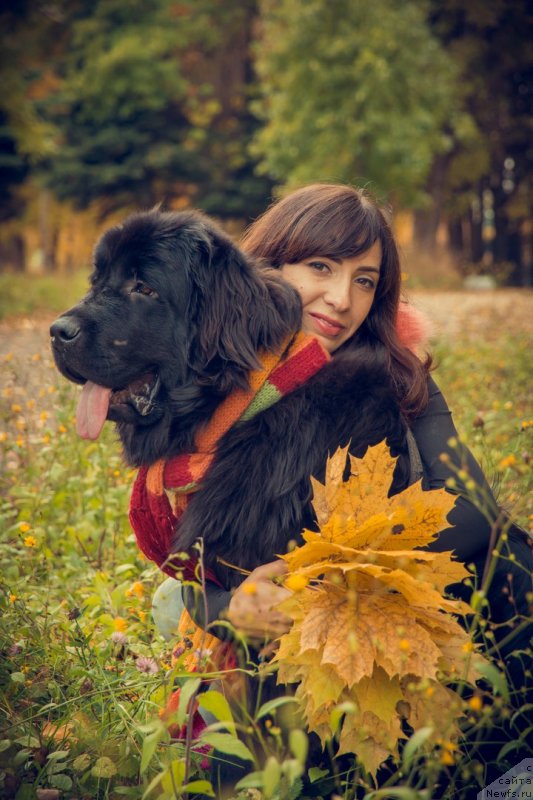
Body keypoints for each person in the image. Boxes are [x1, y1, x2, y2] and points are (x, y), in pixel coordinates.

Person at [155, 184, 532, 790]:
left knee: (510, 561)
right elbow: (190, 577)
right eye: (321, 267)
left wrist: (327, 566)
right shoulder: (210, 376)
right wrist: (234, 607)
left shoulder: (394, 368)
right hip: (277, 642)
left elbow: (474, 514)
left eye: (365, 280)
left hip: (385, 606)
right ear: (270, 263)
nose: (341, 298)